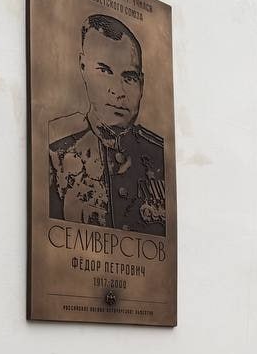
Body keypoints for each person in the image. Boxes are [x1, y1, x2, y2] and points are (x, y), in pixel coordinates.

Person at [48, 14, 168, 235]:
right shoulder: (56, 155)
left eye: (129, 77)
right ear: (83, 67)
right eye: (104, 71)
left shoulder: (160, 156)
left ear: (142, 83)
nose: (118, 92)